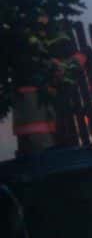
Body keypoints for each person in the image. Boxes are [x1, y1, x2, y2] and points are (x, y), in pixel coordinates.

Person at [11, 16, 84, 156]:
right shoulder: (41, 51)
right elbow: (61, 68)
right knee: (45, 156)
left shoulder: (23, 45)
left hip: (27, 120)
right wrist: (82, 56)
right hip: (38, 121)